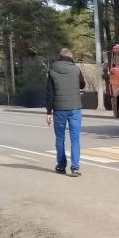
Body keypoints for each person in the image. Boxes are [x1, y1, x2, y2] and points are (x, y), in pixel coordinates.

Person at [45, 48, 86, 177]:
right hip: (75, 108)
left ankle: (61, 166)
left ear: (60, 57)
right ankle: (75, 168)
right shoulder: (76, 69)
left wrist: (48, 112)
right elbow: (82, 85)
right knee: (75, 139)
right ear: (71, 57)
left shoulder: (52, 70)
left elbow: (49, 93)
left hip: (59, 109)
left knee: (60, 139)